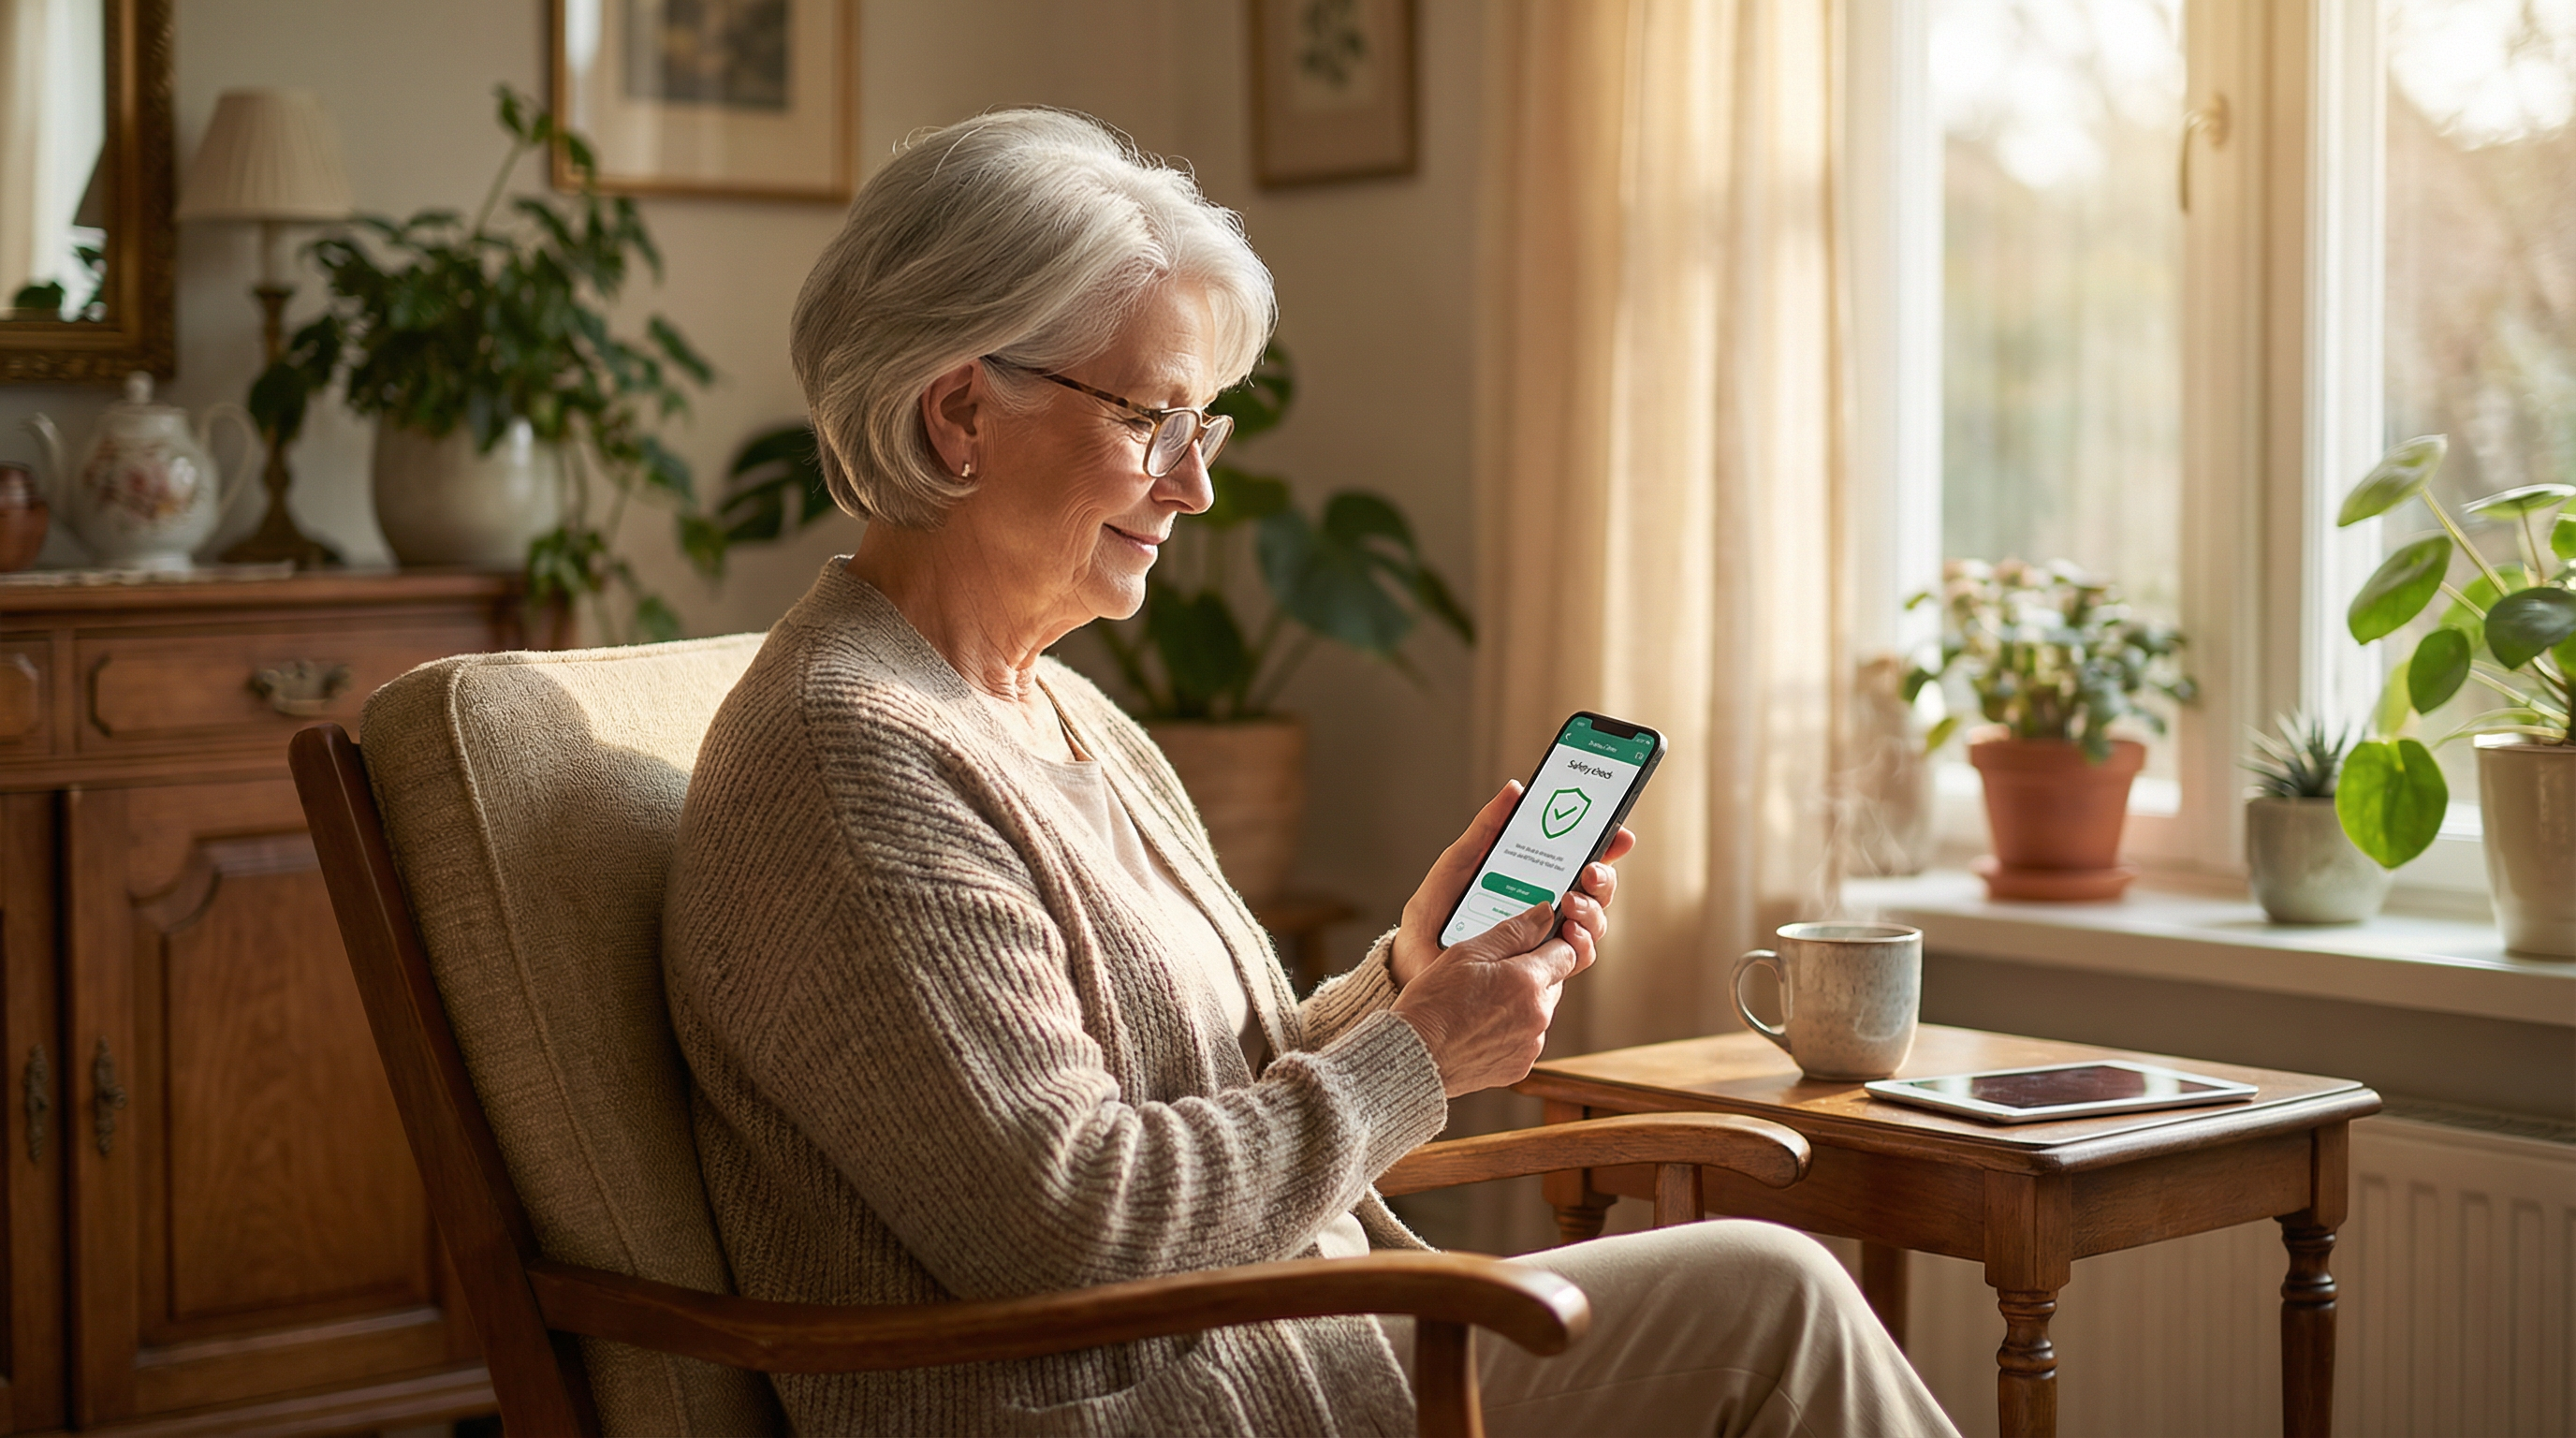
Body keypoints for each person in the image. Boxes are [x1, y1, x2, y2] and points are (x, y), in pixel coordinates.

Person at [663, 108, 1957, 1437]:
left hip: (1286, 1356)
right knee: (1772, 1296)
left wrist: (1410, 979)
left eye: (1201, 431)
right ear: (958, 416)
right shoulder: (852, 758)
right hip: (1144, 1408)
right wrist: (1418, 1055)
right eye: (1153, 422)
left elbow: (1220, 1088)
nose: (1193, 489)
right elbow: (1076, 1223)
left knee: (1768, 1294)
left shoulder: (1063, 715)